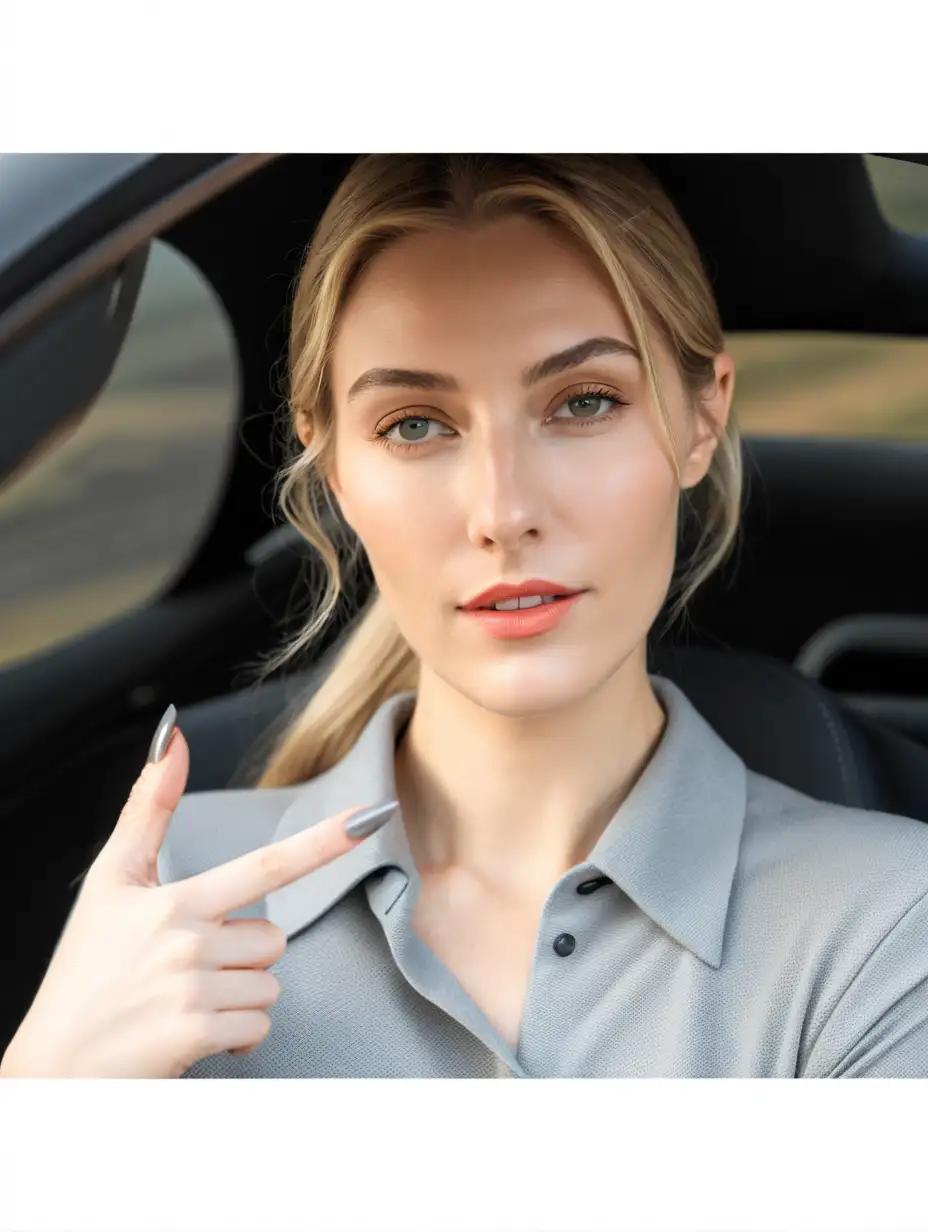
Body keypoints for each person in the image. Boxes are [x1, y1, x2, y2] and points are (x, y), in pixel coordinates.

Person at [5, 153, 928, 1080]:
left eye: (583, 402)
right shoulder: (168, 899)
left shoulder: (885, 924)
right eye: (416, 424)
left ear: (701, 418)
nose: (502, 511)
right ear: (335, 473)